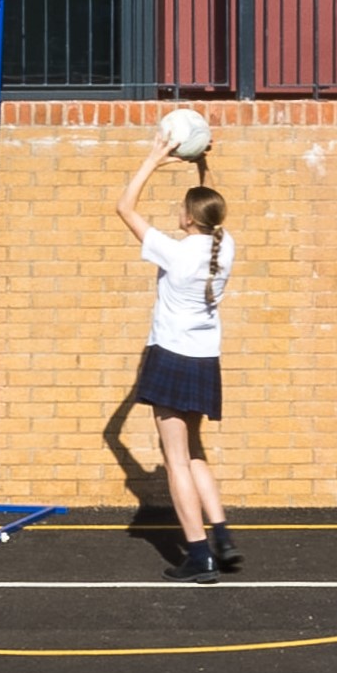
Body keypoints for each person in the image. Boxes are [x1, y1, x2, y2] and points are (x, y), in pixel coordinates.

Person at [112, 141, 236, 579]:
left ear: (188, 218)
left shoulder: (176, 251)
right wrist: (203, 164)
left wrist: (153, 159)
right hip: (204, 360)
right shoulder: (225, 245)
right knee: (195, 450)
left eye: (183, 209)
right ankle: (222, 536)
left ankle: (199, 553)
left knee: (176, 459)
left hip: (171, 356)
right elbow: (213, 207)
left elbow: (124, 207)